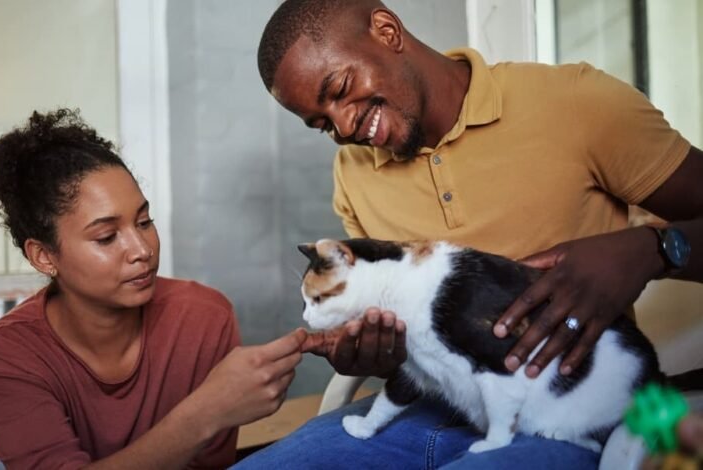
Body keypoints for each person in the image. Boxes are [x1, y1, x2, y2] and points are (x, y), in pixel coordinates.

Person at [236, 0, 703, 468]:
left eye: (339, 88)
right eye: (321, 125)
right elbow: (414, 340)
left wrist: (654, 250)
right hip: (431, 407)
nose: (342, 126)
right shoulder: (352, 170)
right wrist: (369, 354)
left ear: (386, 30)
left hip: (563, 408)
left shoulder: (576, 101)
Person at [0, 108, 313, 469]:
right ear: (43, 256)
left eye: (144, 221)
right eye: (106, 236)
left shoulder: (203, 317)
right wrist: (206, 413)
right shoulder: (8, 357)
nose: (143, 249)